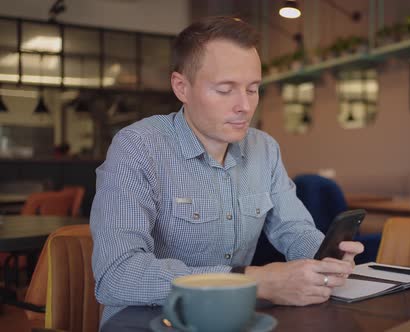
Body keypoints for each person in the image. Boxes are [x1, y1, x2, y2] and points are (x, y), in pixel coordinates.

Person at [90, 16, 364, 325]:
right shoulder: (137, 148)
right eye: (225, 90)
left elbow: (293, 229)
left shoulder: (265, 148)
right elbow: (117, 274)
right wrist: (253, 279)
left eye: (252, 89)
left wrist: (325, 260)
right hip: (149, 320)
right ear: (181, 87)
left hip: (233, 320)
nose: (244, 106)